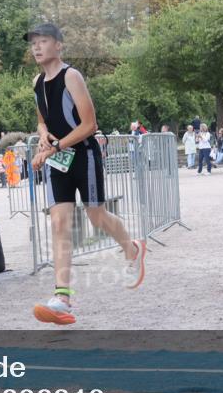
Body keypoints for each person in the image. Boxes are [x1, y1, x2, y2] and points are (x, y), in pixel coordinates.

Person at [26, 23, 146, 326]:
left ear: (59, 46)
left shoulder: (72, 76)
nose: (37, 47)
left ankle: (132, 250)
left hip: (84, 156)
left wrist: (54, 147)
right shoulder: (37, 81)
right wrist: (43, 136)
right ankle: (62, 298)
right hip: (57, 160)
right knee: (59, 222)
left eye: (43, 42)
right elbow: (42, 120)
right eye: (33, 43)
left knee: (96, 217)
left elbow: (90, 125)